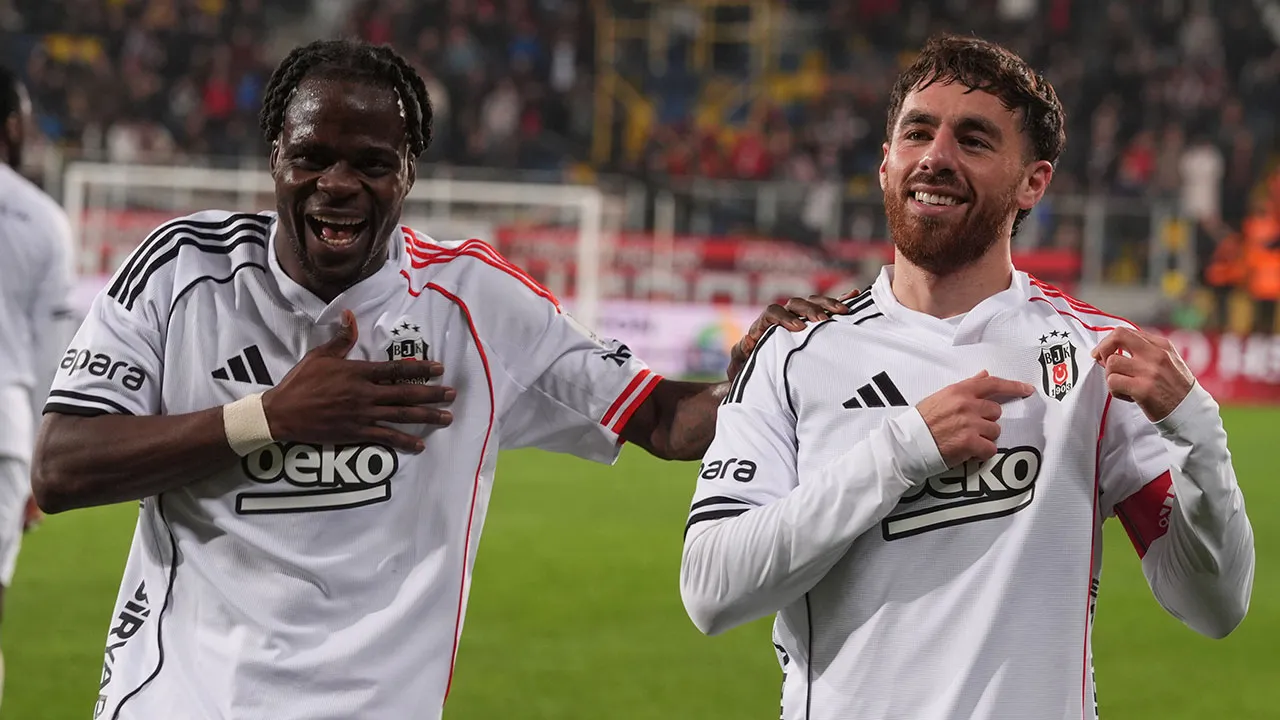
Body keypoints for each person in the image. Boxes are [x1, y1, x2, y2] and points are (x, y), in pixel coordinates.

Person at [29, 39, 840, 719]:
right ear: (274, 154)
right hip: (180, 700)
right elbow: (60, 468)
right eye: (311, 156)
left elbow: (662, 420)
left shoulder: (475, 302)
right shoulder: (181, 272)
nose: (337, 183)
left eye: (371, 163)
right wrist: (270, 417)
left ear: (409, 171)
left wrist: (770, 374)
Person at [679, 34, 1255, 720]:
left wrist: (1197, 430)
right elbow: (711, 590)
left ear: (1033, 182)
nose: (937, 156)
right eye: (918, 132)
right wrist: (904, 451)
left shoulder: (1095, 359)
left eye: (974, 140)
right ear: (886, 162)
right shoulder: (794, 353)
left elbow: (1213, 606)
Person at [0, 65, 75, 711]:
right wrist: (37, 463)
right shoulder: (41, 218)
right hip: (6, 425)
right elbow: (54, 354)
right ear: (11, 126)